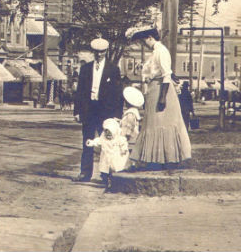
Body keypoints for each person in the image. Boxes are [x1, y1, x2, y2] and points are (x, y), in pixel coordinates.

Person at [127, 26, 192, 169]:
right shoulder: (155, 52)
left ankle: (169, 158)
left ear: (150, 38)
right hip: (153, 89)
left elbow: (166, 75)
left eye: (144, 42)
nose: (144, 45)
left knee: (163, 124)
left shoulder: (161, 51)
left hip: (161, 91)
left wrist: (162, 98)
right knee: (153, 124)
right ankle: (154, 158)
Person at [72, 38, 123, 182]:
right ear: (93, 52)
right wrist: (77, 111)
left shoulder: (113, 69)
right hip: (89, 110)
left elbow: (118, 94)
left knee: (106, 144)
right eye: (96, 52)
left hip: (105, 112)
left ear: (106, 52)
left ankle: (106, 174)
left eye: (102, 52)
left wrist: (117, 115)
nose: (99, 55)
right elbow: (80, 92)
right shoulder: (86, 68)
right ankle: (85, 173)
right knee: (87, 142)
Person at [85, 117, 129, 190]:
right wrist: (92, 142)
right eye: (106, 132)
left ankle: (115, 182)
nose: (108, 135)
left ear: (114, 131)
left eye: (110, 133)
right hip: (105, 157)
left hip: (115, 157)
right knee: (104, 170)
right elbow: (99, 141)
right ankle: (105, 180)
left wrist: (124, 149)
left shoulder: (118, 137)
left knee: (116, 169)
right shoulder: (103, 137)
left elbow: (123, 143)